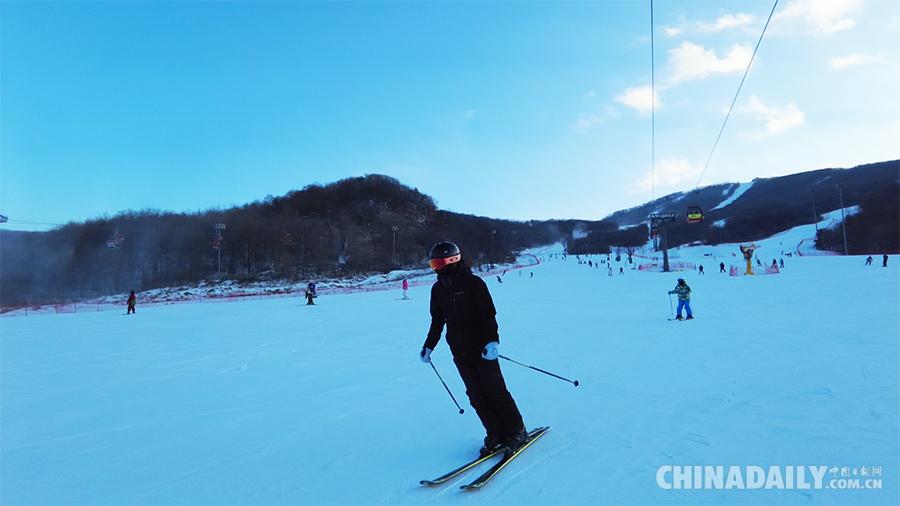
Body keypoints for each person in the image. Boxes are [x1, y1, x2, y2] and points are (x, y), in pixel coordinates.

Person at [420, 241, 527, 456]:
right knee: (475, 395)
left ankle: (516, 431)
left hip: (482, 349)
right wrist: (429, 346)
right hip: (459, 351)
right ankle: (495, 432)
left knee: (495, 390)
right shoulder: (438, 289)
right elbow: (437, 320)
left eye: (439, 263)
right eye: (433, 264)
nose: (436, 268)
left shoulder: (474, 284)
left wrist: (492, 342)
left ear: (452, 260)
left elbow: (488, 315)